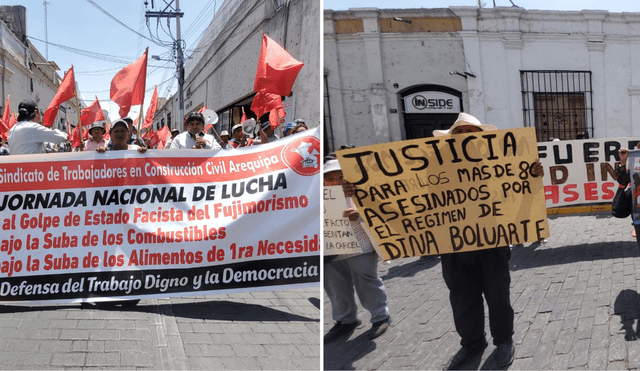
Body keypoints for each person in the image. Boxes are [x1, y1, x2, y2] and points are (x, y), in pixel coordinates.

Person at [341, 113, 544, 369]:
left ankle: (504, 341)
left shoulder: (499, 164)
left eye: (471, 133)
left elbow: (521, 192)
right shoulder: (432, 169)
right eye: (459, 133)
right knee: (462, 298)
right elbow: (406, 197)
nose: (465, 138)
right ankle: (472, 343)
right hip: (452, 247)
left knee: (498, 296)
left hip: (493, 244)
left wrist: (534, 174)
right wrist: (362, 194)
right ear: (450, 140)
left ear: (481, 138)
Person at [323, 157, 391, 344]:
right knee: (336, 288)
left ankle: (380, 316)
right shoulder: (318, 196)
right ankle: (345, 320)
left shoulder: (360, 193)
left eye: (340, 176)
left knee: (367, 282)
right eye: (330, 177)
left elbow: (381, 213)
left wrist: (360, 215)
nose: (336, 181)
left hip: (361, 249)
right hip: (331, 252)